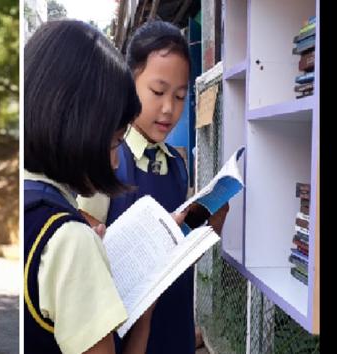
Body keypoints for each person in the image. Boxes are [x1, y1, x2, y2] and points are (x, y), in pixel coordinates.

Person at [24, 20, 187, 354]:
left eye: (181, 96)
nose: (114, 162)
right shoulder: (70, 240)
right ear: (79, 127)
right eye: (114, 142)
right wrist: (143, 318)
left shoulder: (24, 201)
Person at [78, 20, 229, 354]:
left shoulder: (176, 165)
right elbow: (84, 247)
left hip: (173, 324)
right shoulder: (108, 161)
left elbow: (175, 241)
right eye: (158, 92)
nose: (169, 109)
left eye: (179, 96)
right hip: (124, 333)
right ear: (129, 83)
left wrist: (206, 227)